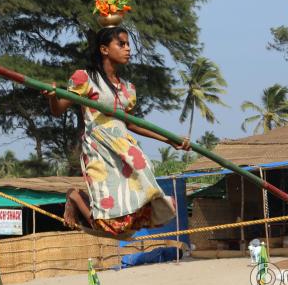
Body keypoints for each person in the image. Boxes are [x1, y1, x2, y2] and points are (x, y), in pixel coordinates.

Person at [44, 26, 190, 237]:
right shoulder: (86, 78)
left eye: (128, 44)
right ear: (104, 49)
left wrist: (169, 140)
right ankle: (75, 197)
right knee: (105, 219)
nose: (127, 49)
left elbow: (131, 124)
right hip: (99, 148)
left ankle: (82, 202)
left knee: (125, 226)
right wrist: (51, 97)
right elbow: (58, 110)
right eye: (121, 44)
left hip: (125, 150)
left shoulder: (127, 89)